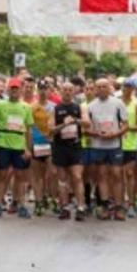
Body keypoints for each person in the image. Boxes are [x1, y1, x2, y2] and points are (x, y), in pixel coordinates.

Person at [0, 77, 34, 219]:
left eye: (17, 88)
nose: (14, 91)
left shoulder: (26, 107)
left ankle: (21, 205)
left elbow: (28, 130)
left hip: (19, 144)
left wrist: (28, 149)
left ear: (20, 90)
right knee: (2, 175)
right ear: (8, 90)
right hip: (3, 143)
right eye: (12, 88)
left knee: (20, 176)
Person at [86, 78, 128, 221]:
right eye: (99, 87)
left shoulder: (118, 103)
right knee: (102, 176)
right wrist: (96, 134)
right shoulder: (90, 106)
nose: (102, 89)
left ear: (109, 88)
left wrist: (115, 134)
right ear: (95, 89)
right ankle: (104, 206)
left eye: (104, 86)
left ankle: (119, 206)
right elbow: (86, 128)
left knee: (117, 175)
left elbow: (125, 125)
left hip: (114, 145)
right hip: (98, 145)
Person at [51, 82, 87, 221]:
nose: (67, 92)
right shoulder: (55, 109)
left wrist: (76, 121)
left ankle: (80, 207)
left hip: (75, 146)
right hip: (60, 147)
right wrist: (64, 124)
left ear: (73, 92)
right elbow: (51, 129)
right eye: (65, 90)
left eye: (70, 90)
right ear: (61, 91)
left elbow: (87, 123)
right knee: (62, 179)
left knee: (77, 177)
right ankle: (64, 207)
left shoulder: (79, 107)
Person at [30, 79, 56, 216]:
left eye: (45, 88)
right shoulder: (32, 107)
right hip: (36, 143)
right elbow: (28, 127)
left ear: (49, 90)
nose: (43, 91)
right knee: (37, 175)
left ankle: (52, 198)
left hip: (50, 144)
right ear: (37, 90)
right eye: (40, 88)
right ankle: (38, 201)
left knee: (52, 173)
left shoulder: (54, 107)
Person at [120, 78, 137, 217]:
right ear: (122, 88)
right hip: (116, 143)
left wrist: (128, 128)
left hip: (132, 144)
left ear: (133, 89)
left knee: (130, 174)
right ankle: (119, 201)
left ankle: (131, 203)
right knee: (117, 175)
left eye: (130, 87)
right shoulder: (116, 103)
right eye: (125, 87)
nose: (127, 89)